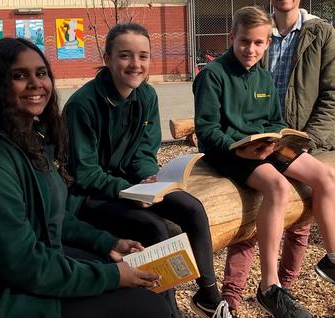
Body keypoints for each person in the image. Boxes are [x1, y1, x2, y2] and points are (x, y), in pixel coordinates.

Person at [0, 37, 171, 318]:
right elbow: (20, 262)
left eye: (41, 73)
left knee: (142, 273)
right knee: (144, 305)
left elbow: (52, 217)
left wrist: (107, 243)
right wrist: (111, 277)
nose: (36, 83)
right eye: (20, 75)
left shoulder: (29, 138)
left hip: (28, 271)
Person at [193, 6, 335, 318]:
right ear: (231, 37)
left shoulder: (263, 77)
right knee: (277, 188)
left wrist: (280, 139)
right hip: (231, 153)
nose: (251, 49)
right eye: (244, 42)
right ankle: (269, 287)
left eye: (259, 43)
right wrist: (240, 150)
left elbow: (274, 120)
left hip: (266, 147)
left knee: (326, 176)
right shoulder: (212, 75)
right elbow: (207, 132)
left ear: (267, 43)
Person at [63, 23, 228, 318]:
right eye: (125, 56)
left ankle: (209, 294)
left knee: (191, 207)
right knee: (156, 228)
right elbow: (86, 173)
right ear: (108, 58)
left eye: (143, 56)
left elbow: (143, 153)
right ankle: (166, 307)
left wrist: (149, 178)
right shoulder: (83, 105)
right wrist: (128, 191)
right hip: (91, 195)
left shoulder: (147, 96)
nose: (135, 65)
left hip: (130, 185)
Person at [221, 0, 335, 316]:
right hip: (257, 139)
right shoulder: (258, 31)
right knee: (251, 215)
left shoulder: (319, 33)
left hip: (299, 140)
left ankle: (283, 290)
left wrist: (307, 141)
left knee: (300, 219)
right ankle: (231, 299)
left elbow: (333, 93)